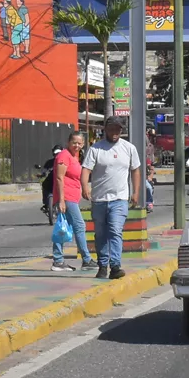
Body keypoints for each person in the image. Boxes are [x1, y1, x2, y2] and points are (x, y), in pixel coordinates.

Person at [81, 117, 142, 281]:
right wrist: (85, 186)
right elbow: (86, 169)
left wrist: (136, 192)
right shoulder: (96, 149)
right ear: (105, 129)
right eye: (112, 128)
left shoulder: (128, 148)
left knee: (115, 231)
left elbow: (135, 170)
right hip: (99, 199)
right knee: (100, 234)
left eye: (118, 129)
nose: (115, 132)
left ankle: (115, 266)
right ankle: (102, 265)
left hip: (119, 198)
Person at [51, 132, 96, 272]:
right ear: (68, 142)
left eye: (79, 143)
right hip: (67, 197)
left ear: (83, 144)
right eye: (74, 142)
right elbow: (59, 177)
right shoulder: (64, 155)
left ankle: (58, 261)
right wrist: (62, 200)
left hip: (71, 198)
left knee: (62, 228)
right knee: (80, 226)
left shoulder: (74, 157)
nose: (76, 145)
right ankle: (86, 259)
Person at [40, 145, 64, 217]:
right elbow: (44, 171)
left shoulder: (65, 161)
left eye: (59, 153)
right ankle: (46, 204)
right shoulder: (49, 162)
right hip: (50, 183)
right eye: (56, 153)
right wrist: (42, 174)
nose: (57, 155)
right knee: (44, 185)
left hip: (61, 183)